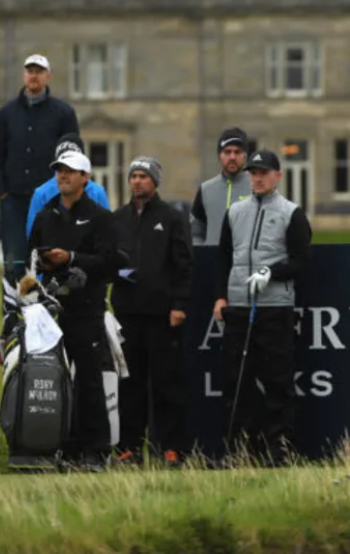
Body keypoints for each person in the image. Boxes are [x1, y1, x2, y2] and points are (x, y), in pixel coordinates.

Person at [213, 149, 312, 465]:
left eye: (263, 172)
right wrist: (221, 297)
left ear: (277, 176)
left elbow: (301, 261)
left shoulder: (291, 213)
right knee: (236, 381)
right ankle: (243, 453)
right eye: (253, 172)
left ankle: (282, 452)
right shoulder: (235, 212)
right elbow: (223, 258)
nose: (257, 178)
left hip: (274, 307)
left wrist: (271, 273)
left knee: (277, 382)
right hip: (239, 307)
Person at [27, 148, 123, 470]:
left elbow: (111, 262)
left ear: (85, 177)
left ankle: (96, 450)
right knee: (55, 380)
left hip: (87, 308)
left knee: (90, 380)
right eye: (59, 170)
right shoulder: (46, 215)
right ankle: (63, 448)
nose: (62, 176)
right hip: (52, 310)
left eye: (69, 171)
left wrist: (72, 259)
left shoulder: (100, 217)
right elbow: (32, 258)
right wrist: (43, 263)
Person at [110, 156, 193, 466]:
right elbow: (108, 260)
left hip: (162, 315)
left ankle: (172, 450)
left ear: (154, 181)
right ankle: (129, 449)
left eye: (144, 176)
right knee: (129, 386)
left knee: (167, 385)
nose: (137, 181)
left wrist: (179, 305)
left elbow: (183, 265)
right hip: (127, 314)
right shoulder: (117, 218)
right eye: (133, 176)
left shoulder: (171, 217)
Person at [0, 54, 80, 281]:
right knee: (14, 260)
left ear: (47, 76)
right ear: (24, 75)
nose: (34, 76)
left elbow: (73, 153)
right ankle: (13, 313)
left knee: (49, 257)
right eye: (30, 71)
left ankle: (47, 311)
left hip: (50, 197)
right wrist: (1, 190)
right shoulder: (6, 113)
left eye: (39, 71)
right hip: (14, 197)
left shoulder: (64, 113)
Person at [26, 134, 109, 237]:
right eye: (61, 169)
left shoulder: (98, 192)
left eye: (71, 169)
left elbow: (107, 234)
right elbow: (33, 237)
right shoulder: (41, 194)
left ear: (84, 174)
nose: (64, 175)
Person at [190, 127, 251, 246]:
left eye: (237, 152)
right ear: (219, 155)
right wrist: (199, 249)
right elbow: (197, 226)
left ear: (245, 156)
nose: (232, 157)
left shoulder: (257, 187)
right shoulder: (206, 189)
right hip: (213, 261)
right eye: (227, 152)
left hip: (246, 262)